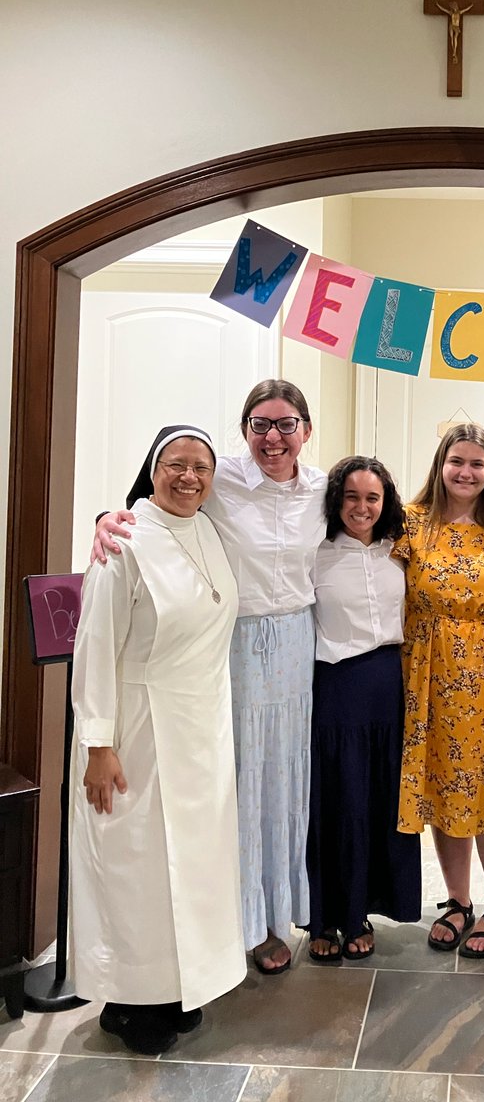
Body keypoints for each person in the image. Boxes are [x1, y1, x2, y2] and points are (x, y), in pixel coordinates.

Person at [92, 380, 326, 975]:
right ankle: (239, 925)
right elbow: (151, 503)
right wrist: (105, 519)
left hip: (298, 641)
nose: (273, 437)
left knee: (284, 780)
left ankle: (278, 913)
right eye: (260, 424)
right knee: (239, 780)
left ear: (305, 429)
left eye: (286, 424)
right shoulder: (221, 482)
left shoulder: (322, 489)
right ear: (245, 429)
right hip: (236, 643)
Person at [70, 426, 245, 1056]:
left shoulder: (209, 528)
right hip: (136, 728)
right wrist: (97, 743)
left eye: (201, 466)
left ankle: (177, 988)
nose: (190, 477)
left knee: (192, 867)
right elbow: (93, 645)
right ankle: (130, 1000)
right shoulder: (124, 542)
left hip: (200, 726)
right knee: (138, 868)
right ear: (152, 469)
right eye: (176, 465)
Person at [394, 422, 484, 959]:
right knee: (446, 783)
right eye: (457, 462)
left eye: (477, 463)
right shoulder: (410, 522)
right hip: (429, 668)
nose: (466, 472)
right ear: (440, 464)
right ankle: (457, 900)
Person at [306, 456, 421, 963]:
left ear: (385, 501)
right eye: (351, 497)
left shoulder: (399, 550)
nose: (361, 507)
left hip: (388, 686)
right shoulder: (315, 552)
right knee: (337, 803)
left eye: (371, 498)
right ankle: (324, 917)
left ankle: (364, 911)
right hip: (336, 686)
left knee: (378, 802)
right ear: (336, 500)